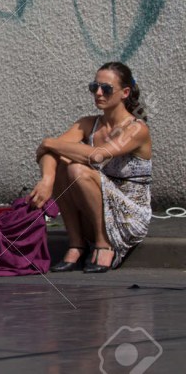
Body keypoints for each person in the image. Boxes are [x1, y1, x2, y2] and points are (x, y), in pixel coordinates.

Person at [27, 62, 152, 273]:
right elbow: (47, 152)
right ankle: (76, 244)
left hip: (128, 218)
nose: (98, 93)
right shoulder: (88, 123)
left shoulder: (136, 129)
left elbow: (97, 156)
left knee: (76, 168)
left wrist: (49, 142)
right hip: (95, 212)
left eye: (106, 88)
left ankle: (104, 244)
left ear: (125, 92)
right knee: (62, 163)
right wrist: (47, 179)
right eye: (94, 87)